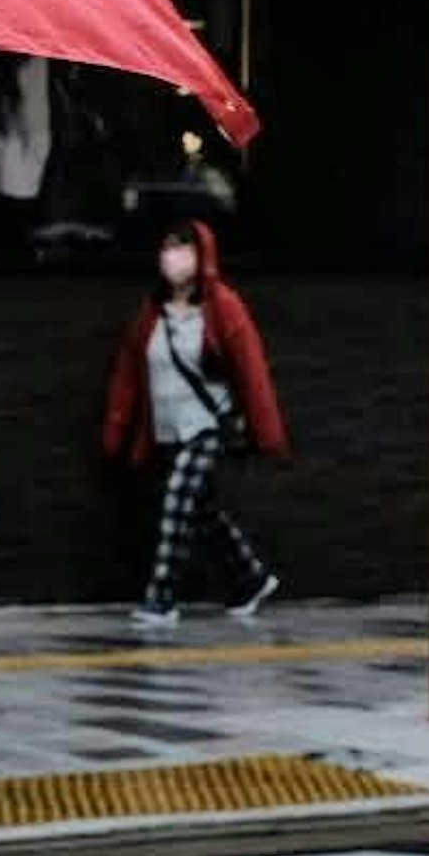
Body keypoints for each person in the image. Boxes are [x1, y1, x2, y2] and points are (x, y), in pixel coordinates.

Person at [101, 220, 290, 630]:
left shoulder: (223, 307)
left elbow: (251, 369)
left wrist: (268, 433)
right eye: (168, 248)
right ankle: (250, 579)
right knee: (203, 510)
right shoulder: (151, 314)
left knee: (177, 501)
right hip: (169, 430)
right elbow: (129, 375)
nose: (174, 257)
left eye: (184, 248)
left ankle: (161, 596)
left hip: (208, 426)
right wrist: (116, 431)